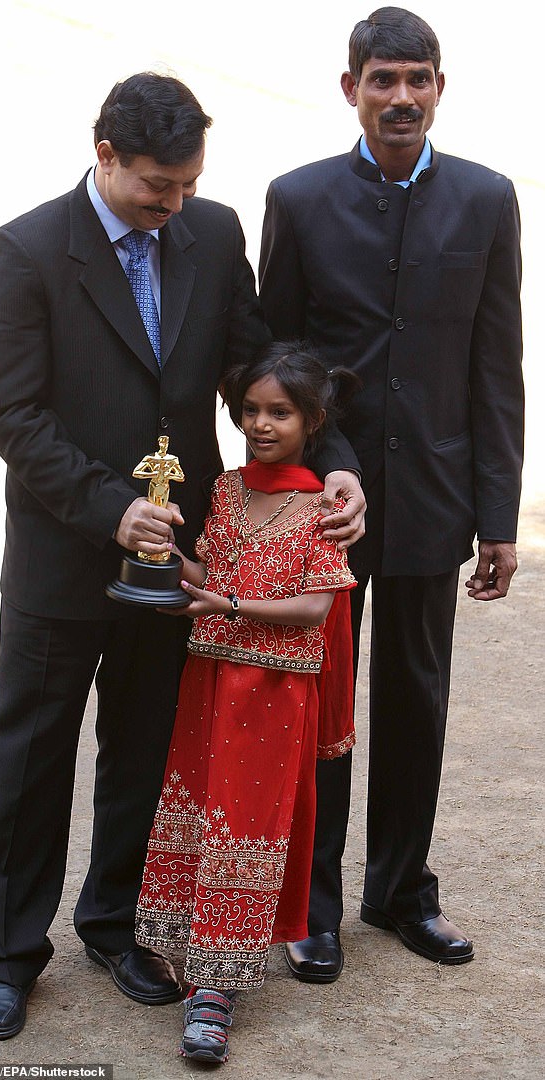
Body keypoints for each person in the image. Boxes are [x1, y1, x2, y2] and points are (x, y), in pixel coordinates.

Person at [0, 74, 365, 1040]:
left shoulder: (215, 232)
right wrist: (115, 511)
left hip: (180, 571)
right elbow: (13, 416)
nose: (174, 203)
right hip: (65, 563)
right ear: (104, 155)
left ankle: (113, 926)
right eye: (157, 186)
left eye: (187, 184)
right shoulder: (24, 251)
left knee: (144, 751)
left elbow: (259, 363)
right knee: (31, 761)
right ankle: (7, 959)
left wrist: (337, 460)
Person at [259, 6, 524, 980]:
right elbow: (275, 360)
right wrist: (313, 467)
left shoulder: (489, 201)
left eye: (418, 79)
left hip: (439, 500)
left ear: (439, 89)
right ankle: (312, 904)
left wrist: (498, 513)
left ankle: (400, 890)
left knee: (417, 699)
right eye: (383, 79)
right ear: (351, 89)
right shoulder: (298, 197)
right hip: (324, 506)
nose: (401, 97)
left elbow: (497, 366)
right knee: (323, 705)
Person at [135, 343, 357, 1063]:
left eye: (280, 412)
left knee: (247, 831)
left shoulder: (322, 504)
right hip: (210, 688)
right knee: (199, 814)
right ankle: (181, 952)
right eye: (250, 411)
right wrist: (168, 560)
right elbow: (212, 571)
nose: (261, 424)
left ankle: (217, 993)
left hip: (274, 699)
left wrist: (225, 602)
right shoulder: (226, 490)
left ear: (312, 420)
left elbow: (316, 607)